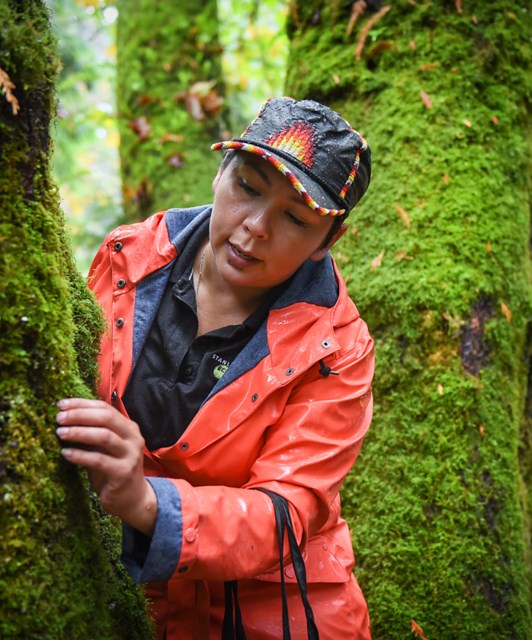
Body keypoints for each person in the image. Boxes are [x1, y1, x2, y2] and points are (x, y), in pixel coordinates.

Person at [55, 97, 375, 639]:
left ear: (328, 240)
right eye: (247, 188)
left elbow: (286, 513)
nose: (253, 229)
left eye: (295, 218)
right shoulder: (126, 259)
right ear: (220, 172)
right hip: (123, 597)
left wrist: (148, 502)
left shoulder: (338, 350)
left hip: (277, 615)